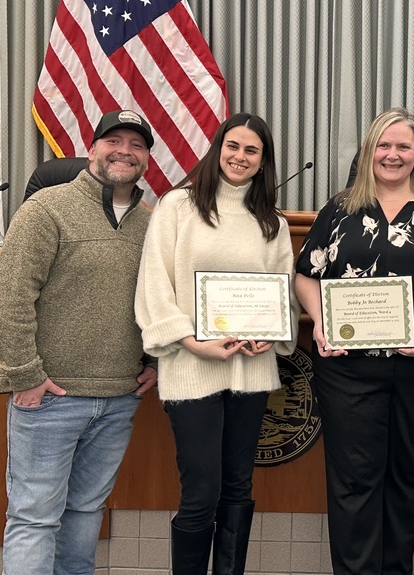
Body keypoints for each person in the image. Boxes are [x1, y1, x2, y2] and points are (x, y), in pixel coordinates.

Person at [294, 107, 414, 575]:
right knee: (353, 481)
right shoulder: (340, 209)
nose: (393, 155)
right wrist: (318, 319)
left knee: (406, 477)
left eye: (403, 146)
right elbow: (305, 275)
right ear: (368, 153)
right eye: (384, 145)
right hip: (347, 369)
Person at [0, 109, 158, 575]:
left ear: (147, 157)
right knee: (34, 517)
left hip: (119, 398)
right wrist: (26, 375)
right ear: (93, 147)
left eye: (136, 144)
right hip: (49, 398)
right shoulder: (46, 208)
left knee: (85, 513)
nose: (124, 151)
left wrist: (154, 363)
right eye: (114, 140)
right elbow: (10, 296)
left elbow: (161, 302)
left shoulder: (153, 225)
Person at [135, 113, 298, 575]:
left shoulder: (272, 222)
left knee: (237, 488)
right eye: (233, 146)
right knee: (201, 491)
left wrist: (270, 334)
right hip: (192, 369)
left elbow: (283, 294)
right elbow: (154, 285)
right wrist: (190, 341)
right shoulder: (177, 206)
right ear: (217, 149)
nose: (240, 157)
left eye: (252, 150)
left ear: (263, 161)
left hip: (250, 371)